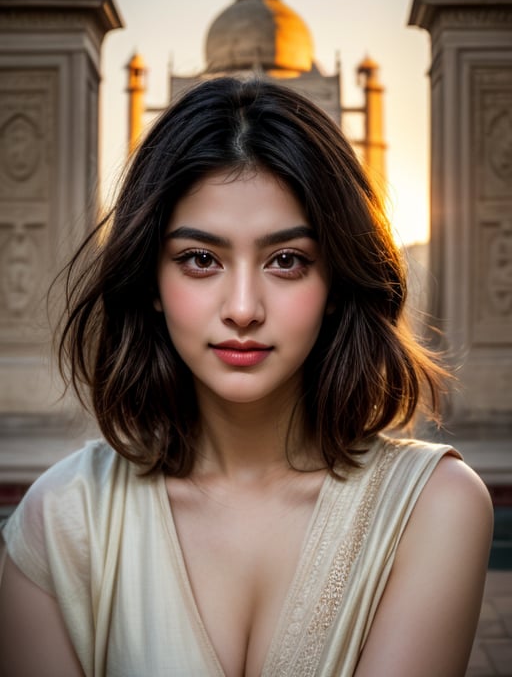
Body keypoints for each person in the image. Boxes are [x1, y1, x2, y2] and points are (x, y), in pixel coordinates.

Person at [0, 77, 493, 677]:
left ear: (335, 282)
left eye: (286, 260)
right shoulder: (60, 521)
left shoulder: (433, 508)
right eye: (200, 259)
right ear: (152, 282)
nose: (241, 308)